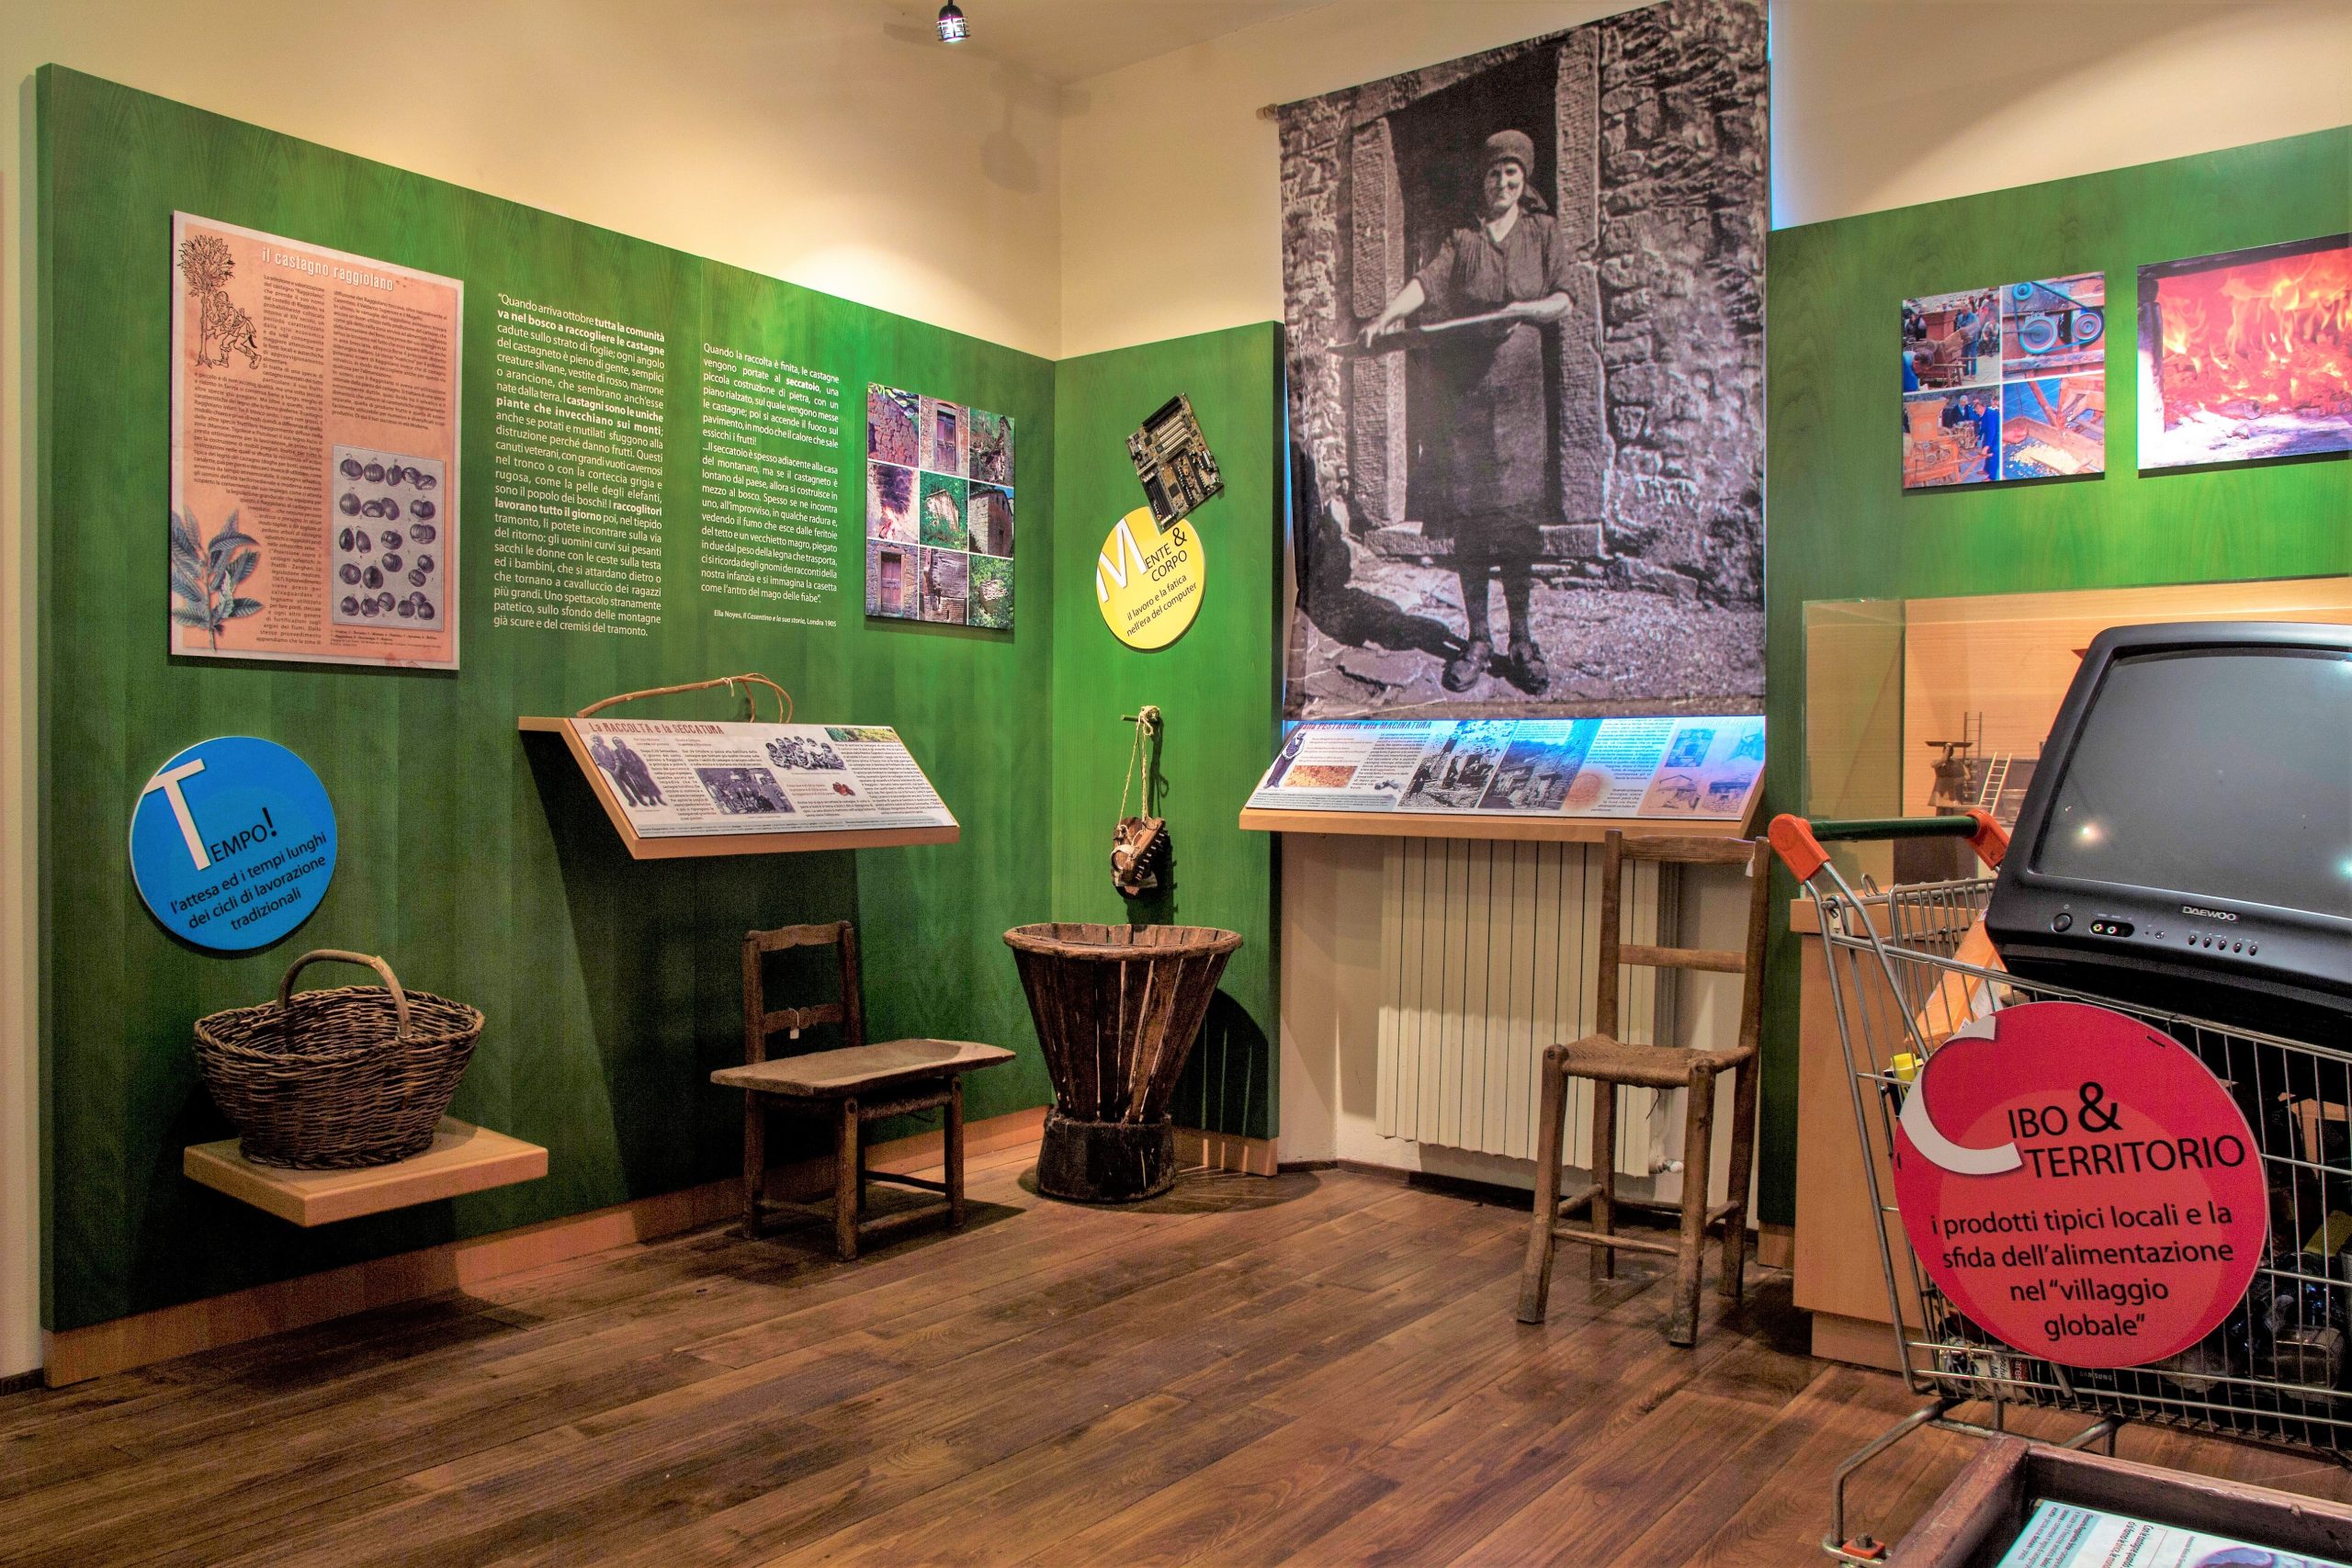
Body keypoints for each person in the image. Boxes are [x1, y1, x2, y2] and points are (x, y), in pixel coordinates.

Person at [1360, 130, 1575, 694]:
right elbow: (1426, 283)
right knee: (1473, 525)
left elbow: (1564, 298)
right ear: (1482, 181)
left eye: (1512, 172)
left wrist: (1526, 308)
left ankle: (1522, 640)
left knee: (1517, 525)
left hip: (1521, 397)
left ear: (1524, 178)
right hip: (1469, 397)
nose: (1502, 182)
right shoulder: (1463, 239)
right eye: (1493, 173)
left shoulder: (1542, 232)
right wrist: (1386, 316)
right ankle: (1478, 638)